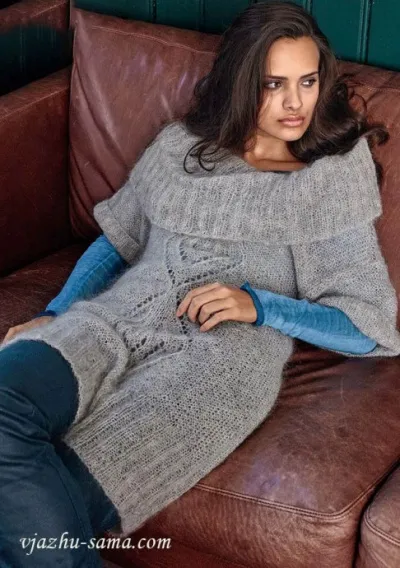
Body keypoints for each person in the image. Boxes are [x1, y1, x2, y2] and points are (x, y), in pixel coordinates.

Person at [1, 1, 400, 566]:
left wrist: (259, 306)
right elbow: (119, 237)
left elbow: (366, 324)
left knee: (45, 503)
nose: (295, 103)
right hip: (115, 317)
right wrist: (58, 311)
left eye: (308, 82)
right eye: (274, 84)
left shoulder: (330, 175)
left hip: (218, 362)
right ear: (241, 83)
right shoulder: (180, 148)